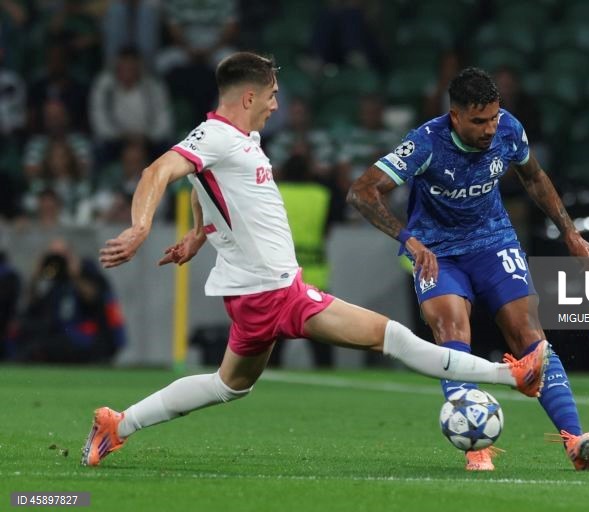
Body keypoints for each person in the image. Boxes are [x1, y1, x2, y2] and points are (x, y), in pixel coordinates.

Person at [81, 52, 549, 467]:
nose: (276, 105)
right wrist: (141, 226)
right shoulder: (218, 137)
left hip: (254, 294)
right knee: (393, 338)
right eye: (272, 95)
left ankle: (116, 426)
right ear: (248, 97)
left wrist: (198, 234)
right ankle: (510, 374)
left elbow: (204, 183)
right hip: (275, 291)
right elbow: (157, 170)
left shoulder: (234, 137)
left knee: (229, 385)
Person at [347, 67, 589, 471]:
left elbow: (534, 178)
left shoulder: (508, 130)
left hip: (493, 241)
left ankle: (574, 440)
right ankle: (475, 447)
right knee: (451, 331)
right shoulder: (425, 143)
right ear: (456, 116)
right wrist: (408, 240)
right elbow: (361, 191)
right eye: (479, 121)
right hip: (438, 252)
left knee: (529, 335)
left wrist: (569, 232)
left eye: (494, 118)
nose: (489, 129)